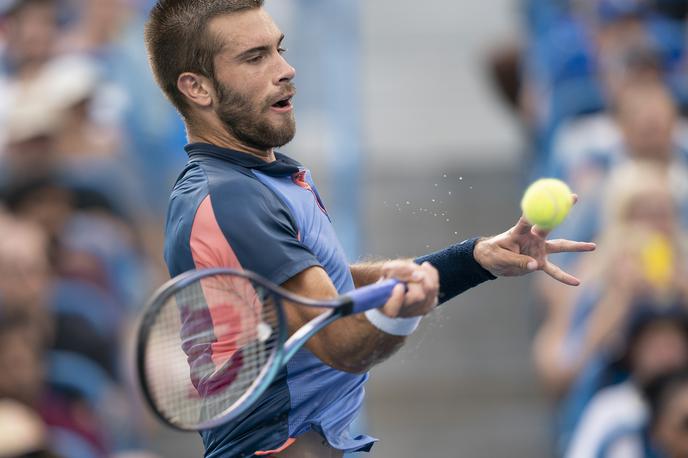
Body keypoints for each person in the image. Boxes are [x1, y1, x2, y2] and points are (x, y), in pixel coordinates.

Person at [143, 1, 595, 456]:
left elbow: (327, 286)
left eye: (279, 49)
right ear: (197, 88)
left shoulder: (265, 176)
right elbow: (340, 343)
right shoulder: (231, 199)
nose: (286, 69)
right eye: (255, 57)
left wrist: (474, 259)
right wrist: (399, 315)